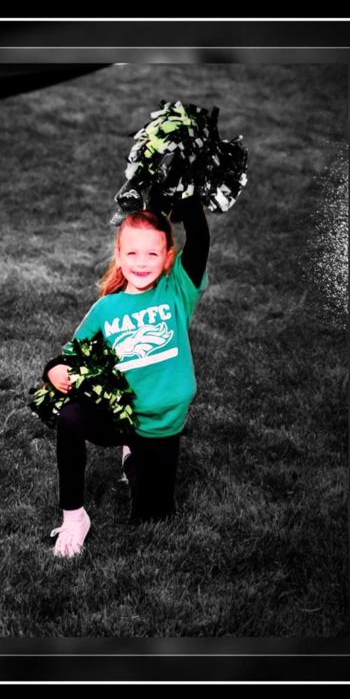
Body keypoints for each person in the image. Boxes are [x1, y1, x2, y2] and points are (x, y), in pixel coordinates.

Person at [41, 194, 210, 557]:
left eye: (152, 253)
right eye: (132, 252)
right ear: (118, 255)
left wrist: (189, 201)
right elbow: (71, 354)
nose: (141, 262)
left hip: (162, 426)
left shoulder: (176, 292)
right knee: (69, 417)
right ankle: (74, 518)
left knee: (155, 518)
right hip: (122, 417)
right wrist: (53, 369)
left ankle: (132, 459)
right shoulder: (107, 308)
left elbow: (199, 242)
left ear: (168, 259)